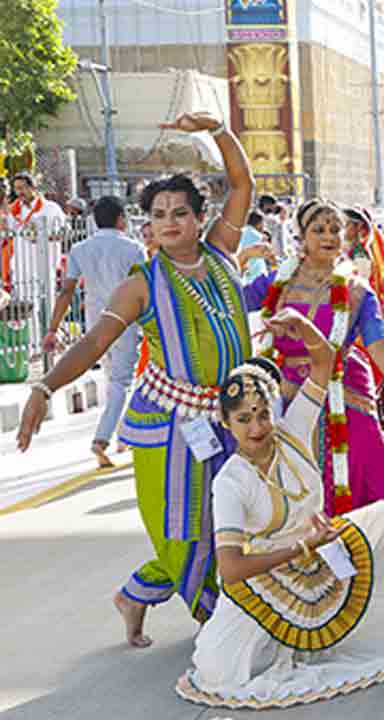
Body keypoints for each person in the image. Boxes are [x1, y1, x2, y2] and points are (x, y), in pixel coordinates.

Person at [17, 112, 254, 647]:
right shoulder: (141, 285)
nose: (168, 222)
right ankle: (217, 620)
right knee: (184, 531)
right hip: (169, 426)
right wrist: (44, 387)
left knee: (233, 522)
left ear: (200, 218)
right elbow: (94, 342)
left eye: (180, 213)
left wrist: (218, 130)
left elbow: (243, 183)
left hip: (232, 419)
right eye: (158, 215)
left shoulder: (221, 253)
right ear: (147, 225)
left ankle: (135, 595)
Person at [175, 308, 384, 709]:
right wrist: (302, 547)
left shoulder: (292, 433)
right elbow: (230, 570)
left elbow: (324, 362)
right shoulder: (230, 482)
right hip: (265, 576)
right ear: (227, 424)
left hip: (323, 548)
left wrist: (302, 326)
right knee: (220, 669)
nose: (256, 428)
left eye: (263, 415)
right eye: (243, 419)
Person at [243, 199, 384, 515]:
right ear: (302, 237)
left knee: (358, 468)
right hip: (290, 390)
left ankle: (358, 539)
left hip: (345, 386)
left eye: (335, 229)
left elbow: (377, 342)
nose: (329, 236)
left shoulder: (357, 290)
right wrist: (242, 259)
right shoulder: (278, 282)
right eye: (319, 230)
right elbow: (232, 300)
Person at [42, 196, 147, 469]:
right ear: (121, 219)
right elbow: (147, 288)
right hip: (125, 321)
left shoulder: (80, 250)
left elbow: (67, 291)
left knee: (113, 378)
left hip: (95, 325)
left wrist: (52, 329)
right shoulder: (134, 248)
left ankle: (123, 435)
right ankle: (103, 438)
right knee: (121, 381)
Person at [3, 172, 67, 294]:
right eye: (16, 189)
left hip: (45, 262)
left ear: (33, 188)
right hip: (21, 264)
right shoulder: (13, 210)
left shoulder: (50, 208)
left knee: (47, 297)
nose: (19, 192)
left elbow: (64, 232)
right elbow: (8, 234)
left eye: (22, 188)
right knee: (24, 299)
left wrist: (42, 237)